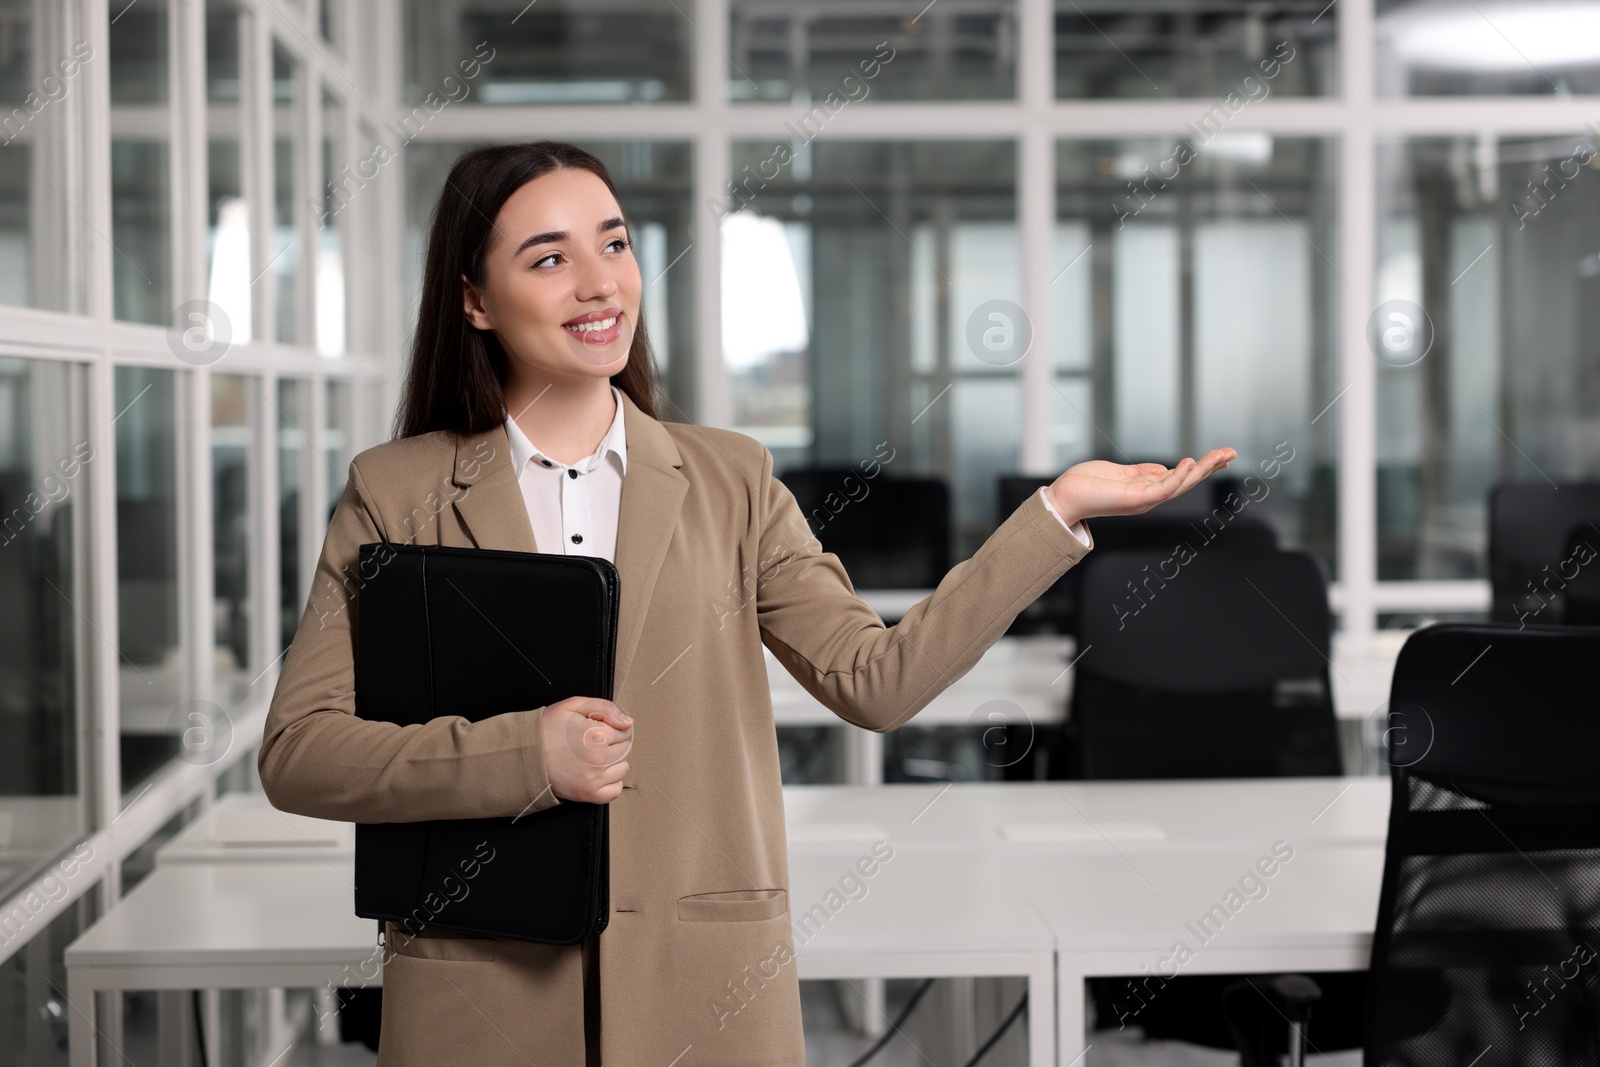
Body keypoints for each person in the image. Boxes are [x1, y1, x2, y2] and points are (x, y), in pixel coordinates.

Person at [258, 140, 1236, 1067]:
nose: (600, 281)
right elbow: (302, 752)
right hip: (484, 992)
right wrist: (524, 755)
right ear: (475, 299)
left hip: (702, 985)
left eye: (614, 243)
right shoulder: (396, 489)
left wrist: (1054, 512)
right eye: (548, 257)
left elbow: (877, 680)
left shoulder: (732, 478)